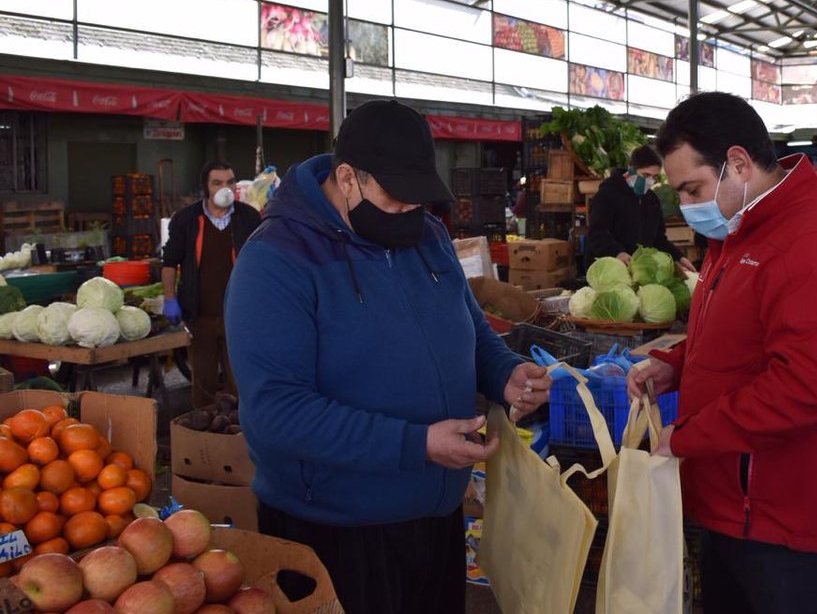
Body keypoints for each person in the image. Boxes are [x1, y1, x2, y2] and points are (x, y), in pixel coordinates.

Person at [223, 101, 550, 614]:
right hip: (336, 530)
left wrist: (504, 372)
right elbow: (276, 412)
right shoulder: (277, 259)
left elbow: (471, 327)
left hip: (436, 516)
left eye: (417, 202)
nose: (408, 215)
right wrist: (414, 444)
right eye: (396, 200)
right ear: (348, 177)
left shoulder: (429, 236)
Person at [627, 92, 817, 613]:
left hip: (791, 521)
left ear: (738, 164)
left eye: (692, 188)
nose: (687, 206)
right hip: (736, 506)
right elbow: (744, 338)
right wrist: (675, 367)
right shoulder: (739, 231)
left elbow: (808, 387)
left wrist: (690, 435)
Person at [161, 161, 260, 408]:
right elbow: (169, 262)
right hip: (199, 315)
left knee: (241, 382)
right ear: (206, 187)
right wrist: (170, 298)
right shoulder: (186, 220)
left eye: (230, 182)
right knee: (203, 383)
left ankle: (243, 437)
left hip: (238, 317)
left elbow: (262, 260)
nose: (225, 188)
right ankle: (204, 440)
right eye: (217, 183)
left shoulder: (248, 217)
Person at [586, 144, 696, 274]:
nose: (650, 181)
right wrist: (617, 252)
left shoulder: (652, 200)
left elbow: (658, 239)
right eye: (645, 175)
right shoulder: (607, 195)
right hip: (609, 270)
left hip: (639, 271)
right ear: (631, 169)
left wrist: (678, 256)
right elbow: (597, 233)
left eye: (654, 177)